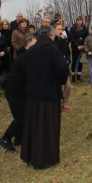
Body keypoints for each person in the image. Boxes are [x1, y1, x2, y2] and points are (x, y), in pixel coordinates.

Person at [21, 25, 69, 170]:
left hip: (32, 95)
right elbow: (63, 69)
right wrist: (60, 82)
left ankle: (30, 157)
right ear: (51, 34)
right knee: (46, 127)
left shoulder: (31, 51)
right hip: (49, 95)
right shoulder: (52, 50)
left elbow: (24, 69)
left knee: (33, 126)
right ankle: (42, 159)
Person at [0, 36, 36, 151]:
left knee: (23, 115)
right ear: (28, 46)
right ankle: (6, 138)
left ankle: (19, 139)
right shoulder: (24, 58)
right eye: (35, 46)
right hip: (15, 91)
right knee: (21, 116)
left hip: (19, 91)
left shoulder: (25, 57)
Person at [52, 19, 72, 110]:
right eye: (58, 29)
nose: (60, 31)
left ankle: (65, 103)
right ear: (54, 30)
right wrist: (60, 39)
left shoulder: (64, 39)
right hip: (57, 67)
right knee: (60, 87)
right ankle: (57, 105)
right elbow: (54, 48)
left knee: (67, 86)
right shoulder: (53, 40)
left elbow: (67, 51)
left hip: (65, 65)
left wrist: (68, 60)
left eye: (61, 29)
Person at [68, 16, 89, 82]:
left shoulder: (85, 29)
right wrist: (77, 45)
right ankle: (73, 76)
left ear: (82, 21)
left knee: (81, 62)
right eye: (78, 20)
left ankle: (79, 76)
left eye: (80, 20)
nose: (79, 22)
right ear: (76, 21)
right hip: (75, 48)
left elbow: (87, 38)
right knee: (74, 62)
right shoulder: (72, 28)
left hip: (82, 48)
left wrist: (83, 46)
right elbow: (71, 38)